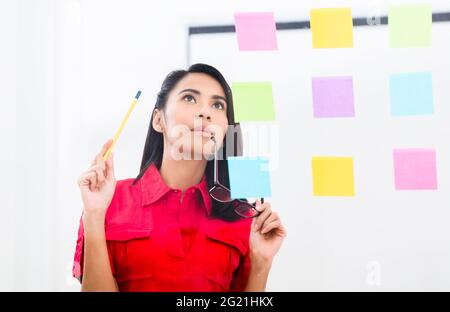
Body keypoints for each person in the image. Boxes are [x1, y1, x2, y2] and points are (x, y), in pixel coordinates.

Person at [73, 63, 286, 291]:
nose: (205, 112)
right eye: (189, 98)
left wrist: (262, 263)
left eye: (217, 105)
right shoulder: (108, 202)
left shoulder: (243, 217)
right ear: (158, 120)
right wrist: (94, 215)